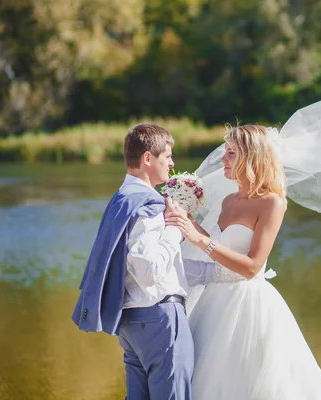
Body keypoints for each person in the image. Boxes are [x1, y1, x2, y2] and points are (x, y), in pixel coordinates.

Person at [166, 124, 321, 400]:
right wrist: (186, 222)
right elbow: (217, 245)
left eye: (231, 153)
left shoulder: (272, 203)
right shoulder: (228, 200)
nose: (223, 159)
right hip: (213, 302)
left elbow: (252, 266)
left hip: (248, 304)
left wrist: (201, 241)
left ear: (252, 157)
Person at [72, 123, 213, 400]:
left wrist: (214, 272)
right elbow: (149, 272)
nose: (172, 163)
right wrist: (175, 226)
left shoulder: (121, 199)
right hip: (160, 319)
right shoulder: (148, 204)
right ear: (148, 158)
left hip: (131, 322)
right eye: (167, 156)